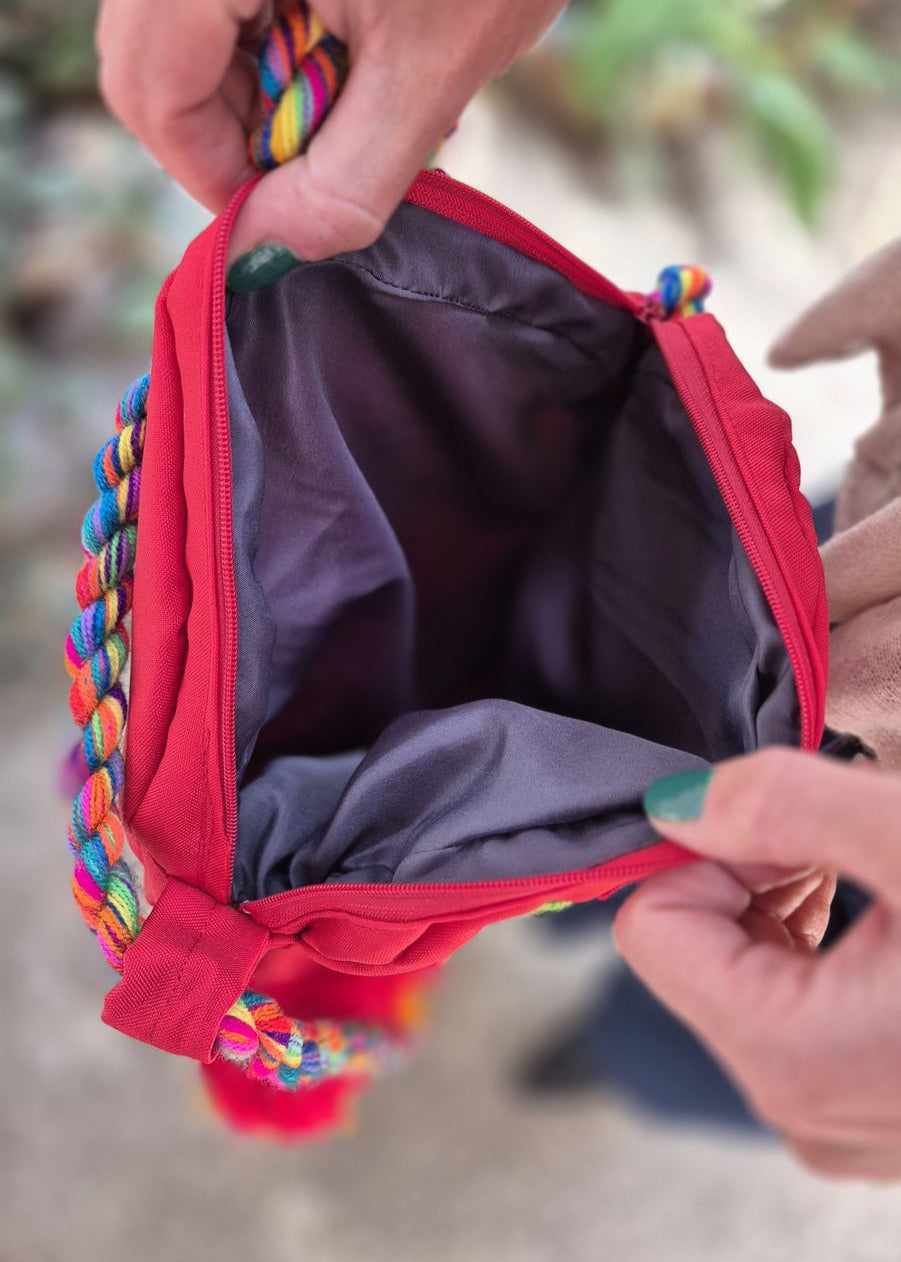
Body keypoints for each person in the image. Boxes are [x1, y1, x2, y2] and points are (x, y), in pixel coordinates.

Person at [96, 0, 901, 1181]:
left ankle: (608, 1021)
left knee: (711, 1002)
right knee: (691, 876)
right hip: (827, 591)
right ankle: (581, 939)